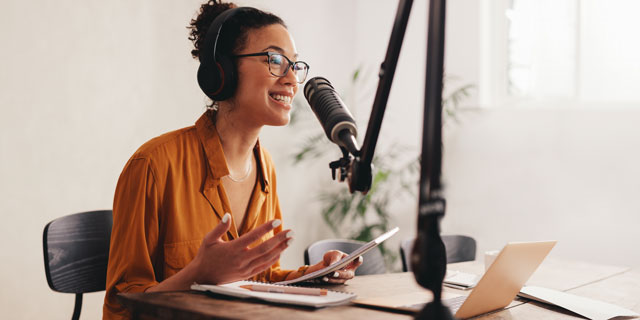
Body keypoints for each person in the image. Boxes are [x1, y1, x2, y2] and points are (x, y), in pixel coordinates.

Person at [102, 1, 363, 318]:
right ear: (222, 72)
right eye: (275, 60)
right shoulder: (154, 166)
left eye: (295, 65)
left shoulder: (264, 167)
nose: (292, 79)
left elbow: (260, 280)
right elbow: (121, 306)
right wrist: (198, 274)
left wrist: (314, 275)